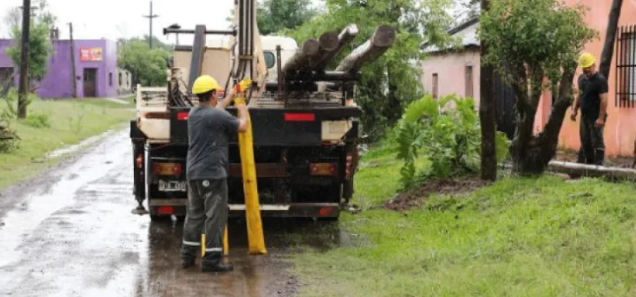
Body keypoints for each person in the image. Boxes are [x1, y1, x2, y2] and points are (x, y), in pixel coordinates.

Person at [181, 75, 248, 272]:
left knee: (194, 215)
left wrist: (229, 96)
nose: (217, 97)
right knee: (215, 217)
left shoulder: (195, 113)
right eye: (216, 93)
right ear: (211, 94)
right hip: (212, 174)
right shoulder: (216, 116)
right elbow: (242, 127)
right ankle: (211, 261)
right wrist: (243, 111)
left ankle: (187, 256)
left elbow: (216, 111)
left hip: (193, 173)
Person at [571, 53, 608, 165]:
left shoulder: (600, 80)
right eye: (584, 69)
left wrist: (601, 118)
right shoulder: (581, 79)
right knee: (585, 141)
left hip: (596, 116)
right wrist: (574, 110)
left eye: (588, 68)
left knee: (597, 142)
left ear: (593, 65)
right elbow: (579, 95)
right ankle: (589, 166)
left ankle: (599, 167)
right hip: (584, 116)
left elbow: (604, 100)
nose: (586, 71)